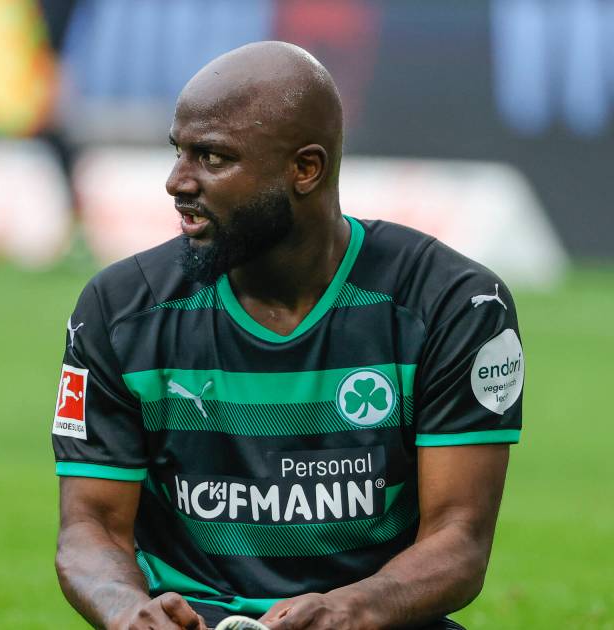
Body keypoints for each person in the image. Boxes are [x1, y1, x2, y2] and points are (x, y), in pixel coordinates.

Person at [52, 41, 523, 629]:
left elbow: (460, 540)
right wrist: (129, 615)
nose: (177, 181)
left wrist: (348, 610)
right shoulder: (121, 310)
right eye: (178, 152)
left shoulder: (452, 304)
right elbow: (89, 527)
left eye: (213, 157)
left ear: (306, 169)